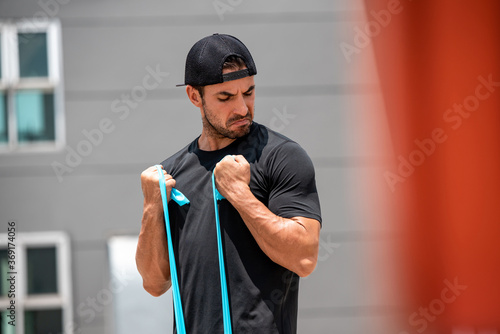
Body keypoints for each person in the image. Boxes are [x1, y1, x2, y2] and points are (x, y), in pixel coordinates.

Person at [136, 33, 322, 333]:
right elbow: (154, 283)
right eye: (225, 97)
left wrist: (239, 194)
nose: (242, 108)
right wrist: (151, 208)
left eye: (248, 92)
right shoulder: (172, 172)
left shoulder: (280, 156)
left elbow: (304, 256)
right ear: (194, 96)